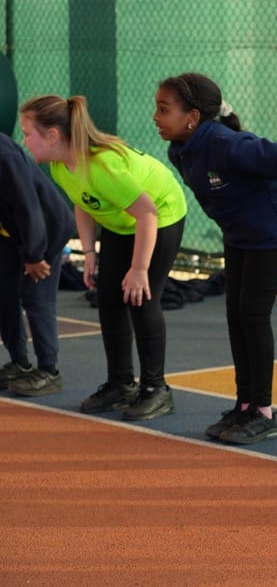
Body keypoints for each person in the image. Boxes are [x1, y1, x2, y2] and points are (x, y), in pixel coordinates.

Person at [155, 73, 277, 444]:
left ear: (192, 116)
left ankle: (264, 413)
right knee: (235, 316)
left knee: (253, 317)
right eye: (156, 109)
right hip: (238, 235)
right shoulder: (179, 149)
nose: (156, 117)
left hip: (272, 234)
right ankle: (245, 405)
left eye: (164, 109)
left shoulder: (229, 145)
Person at [19, 95, 187, 421]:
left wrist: (139, 269)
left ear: (52, 136)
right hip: (120, 221)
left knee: (140, 299)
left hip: (159, 215)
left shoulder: (102, 166)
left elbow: (147, 214)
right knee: (108, 299)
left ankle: (156, 389)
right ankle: (120, 382)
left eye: (28, 133)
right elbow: (83, 203)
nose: (24, 140)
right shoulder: (60, 166)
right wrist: (90, 254)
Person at [0, 131, 75, 397]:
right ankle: (19, 363)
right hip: (11, 231)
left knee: (35, 296)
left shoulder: (3, 154)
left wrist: (34, 256)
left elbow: (28, 206)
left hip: (45, 227)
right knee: (4, 294)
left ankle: (49, 371)